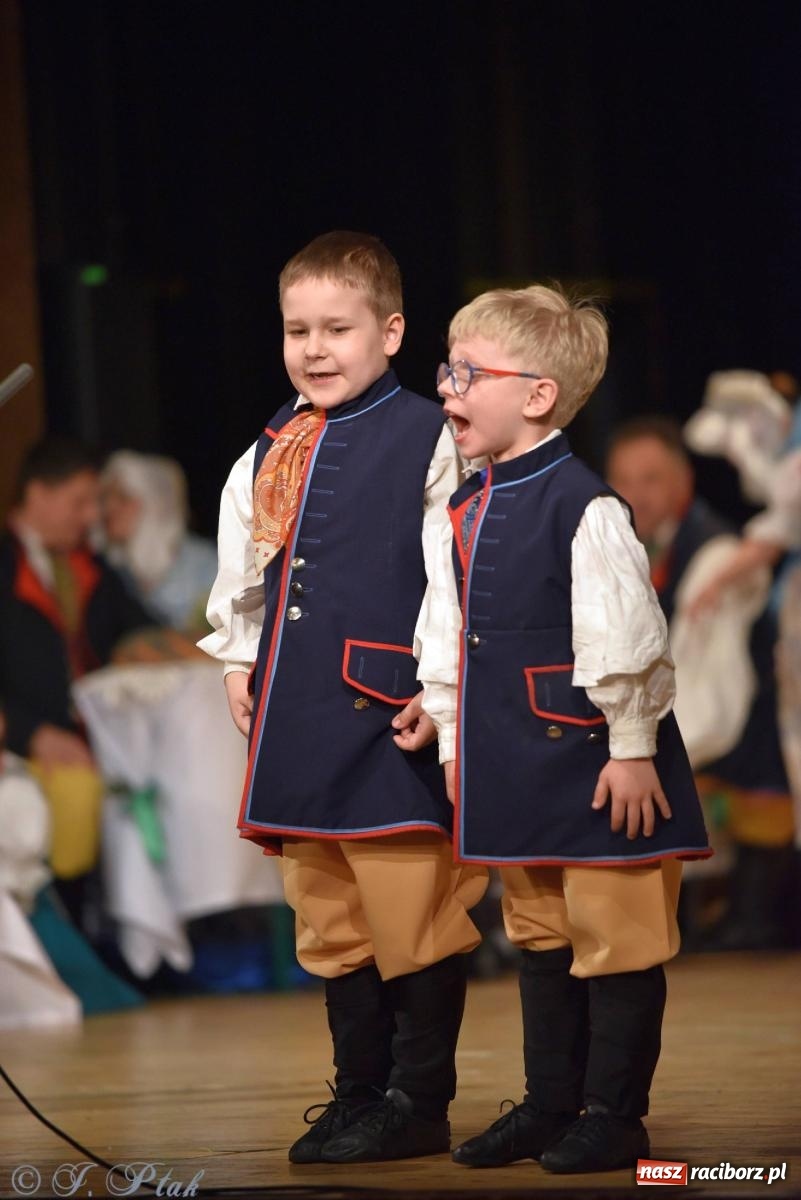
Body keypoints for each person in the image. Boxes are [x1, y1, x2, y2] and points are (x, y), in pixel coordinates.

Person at [407, 285, 710, 1175]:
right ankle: (550, 1104)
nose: (448, 387)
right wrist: (457, 742)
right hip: (511, 761)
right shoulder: (464, 506)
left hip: (591, 759)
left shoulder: (585, 506)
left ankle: (614, 1117)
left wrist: (628, 748)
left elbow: (627, 640)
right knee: (539, 932)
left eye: (468, 372)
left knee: (614, 936)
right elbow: (449, 634)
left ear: (536, 395)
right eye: (445, 368)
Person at [200, 231, 487, 1164]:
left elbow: (456, 577)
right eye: (297, 331)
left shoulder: (427, 438)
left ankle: (418, 1099)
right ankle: (359, 1090)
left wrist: (440, 690)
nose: (314, 349)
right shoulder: (270, 445)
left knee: (410, 912)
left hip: (385, 709)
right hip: (297, 716)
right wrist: (240, 656)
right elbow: (245, 563)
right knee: (326, 919)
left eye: (336, 328)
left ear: (391, 332)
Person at [606, 418, 796, 950]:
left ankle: (750, 917)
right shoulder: (627, 548)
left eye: (651, 479)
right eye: (623, 480)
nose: (635, 494)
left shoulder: (712, 549)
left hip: (734, 723)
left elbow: (712, 677)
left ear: (682, 481)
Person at [0, 436, 156, 926]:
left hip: (94, 734)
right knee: (75, 792)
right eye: (79, 502)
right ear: (39, 493)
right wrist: (33, 734)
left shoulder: (88, 566)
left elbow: (139, 629)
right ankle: (69, 939)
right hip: (28, 739)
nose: (91, 516)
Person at [99, 450, 218, 637]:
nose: (109, 508)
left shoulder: (206, 563)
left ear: (154, 502)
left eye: (123, 498)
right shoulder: (106, 567)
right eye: (105, 497)